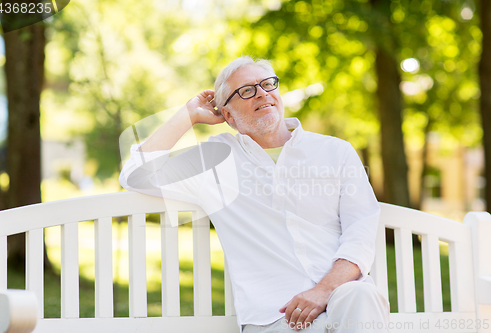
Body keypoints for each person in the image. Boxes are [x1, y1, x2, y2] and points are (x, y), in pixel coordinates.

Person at [119, 56, 390, 332]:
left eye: (268, 84)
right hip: (276, 316)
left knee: (362, 294)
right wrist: (188, 114)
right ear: (227, 115)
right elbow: (135, 175)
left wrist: (323, 291)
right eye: (247, 90)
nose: (262, 93)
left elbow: (361, 232)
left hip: (345, 300)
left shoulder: (336, 152)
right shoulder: (215, 159)